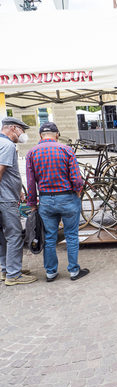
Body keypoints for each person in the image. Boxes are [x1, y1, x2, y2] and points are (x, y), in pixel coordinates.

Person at [26, 122, 89, 282]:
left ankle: (51, 272)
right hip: (67, 197)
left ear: (40, 135)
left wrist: (32, 203)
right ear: (57, 134)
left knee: (49, 237)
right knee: (72, 235)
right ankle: (74, 270)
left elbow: (31, 182)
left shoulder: (32, 153)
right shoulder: (66, 150)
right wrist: (78, 191)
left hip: (46, 200)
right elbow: (76, 178)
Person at [0, 117, 37, 286]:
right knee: (14, 235)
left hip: (6, 196)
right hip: (5, 200)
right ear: (13, 128)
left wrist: (19, 190)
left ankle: (5, 269)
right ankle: (13, 274)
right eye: (22, 130)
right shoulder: (7, 145)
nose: (23, 134)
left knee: (3, 236)